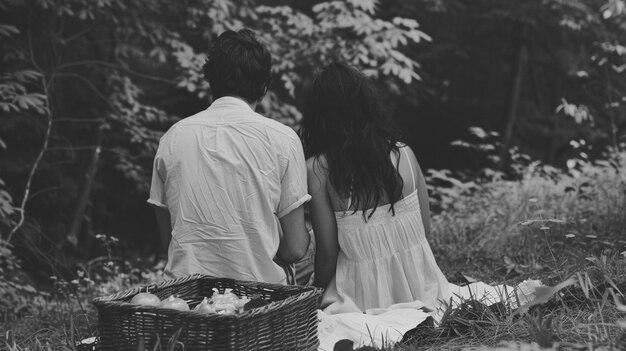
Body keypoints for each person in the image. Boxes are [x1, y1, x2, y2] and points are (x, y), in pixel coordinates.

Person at [148, 29, 310, 284]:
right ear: (265, 87)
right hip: (260, 293)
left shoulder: (172, 137)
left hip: (186, 293)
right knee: (312, 245)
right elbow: (296, 249)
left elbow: (170, 239)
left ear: (210, 81)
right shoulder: (283, 138)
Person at [300, 62, 449, 313]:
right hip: (425, 289)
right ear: (367, 105)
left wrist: (314, 297)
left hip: (362, 298)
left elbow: (327, 254)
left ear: (319, 115)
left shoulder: (318, 169)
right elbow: (425, 227)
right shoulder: (404, 153)